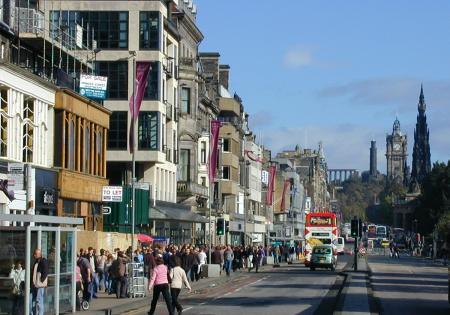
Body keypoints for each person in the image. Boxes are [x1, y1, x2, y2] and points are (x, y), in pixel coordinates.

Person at [30, 249, 48, 315]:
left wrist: (41, 281)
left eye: (35, 254)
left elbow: (45, 272)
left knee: (39, 301)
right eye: (34, 254)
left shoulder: (43, 261)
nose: (34, 255)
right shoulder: (36, 262)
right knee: (33, 300)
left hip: (39, 285)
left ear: (39, 254)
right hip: (35, 284)